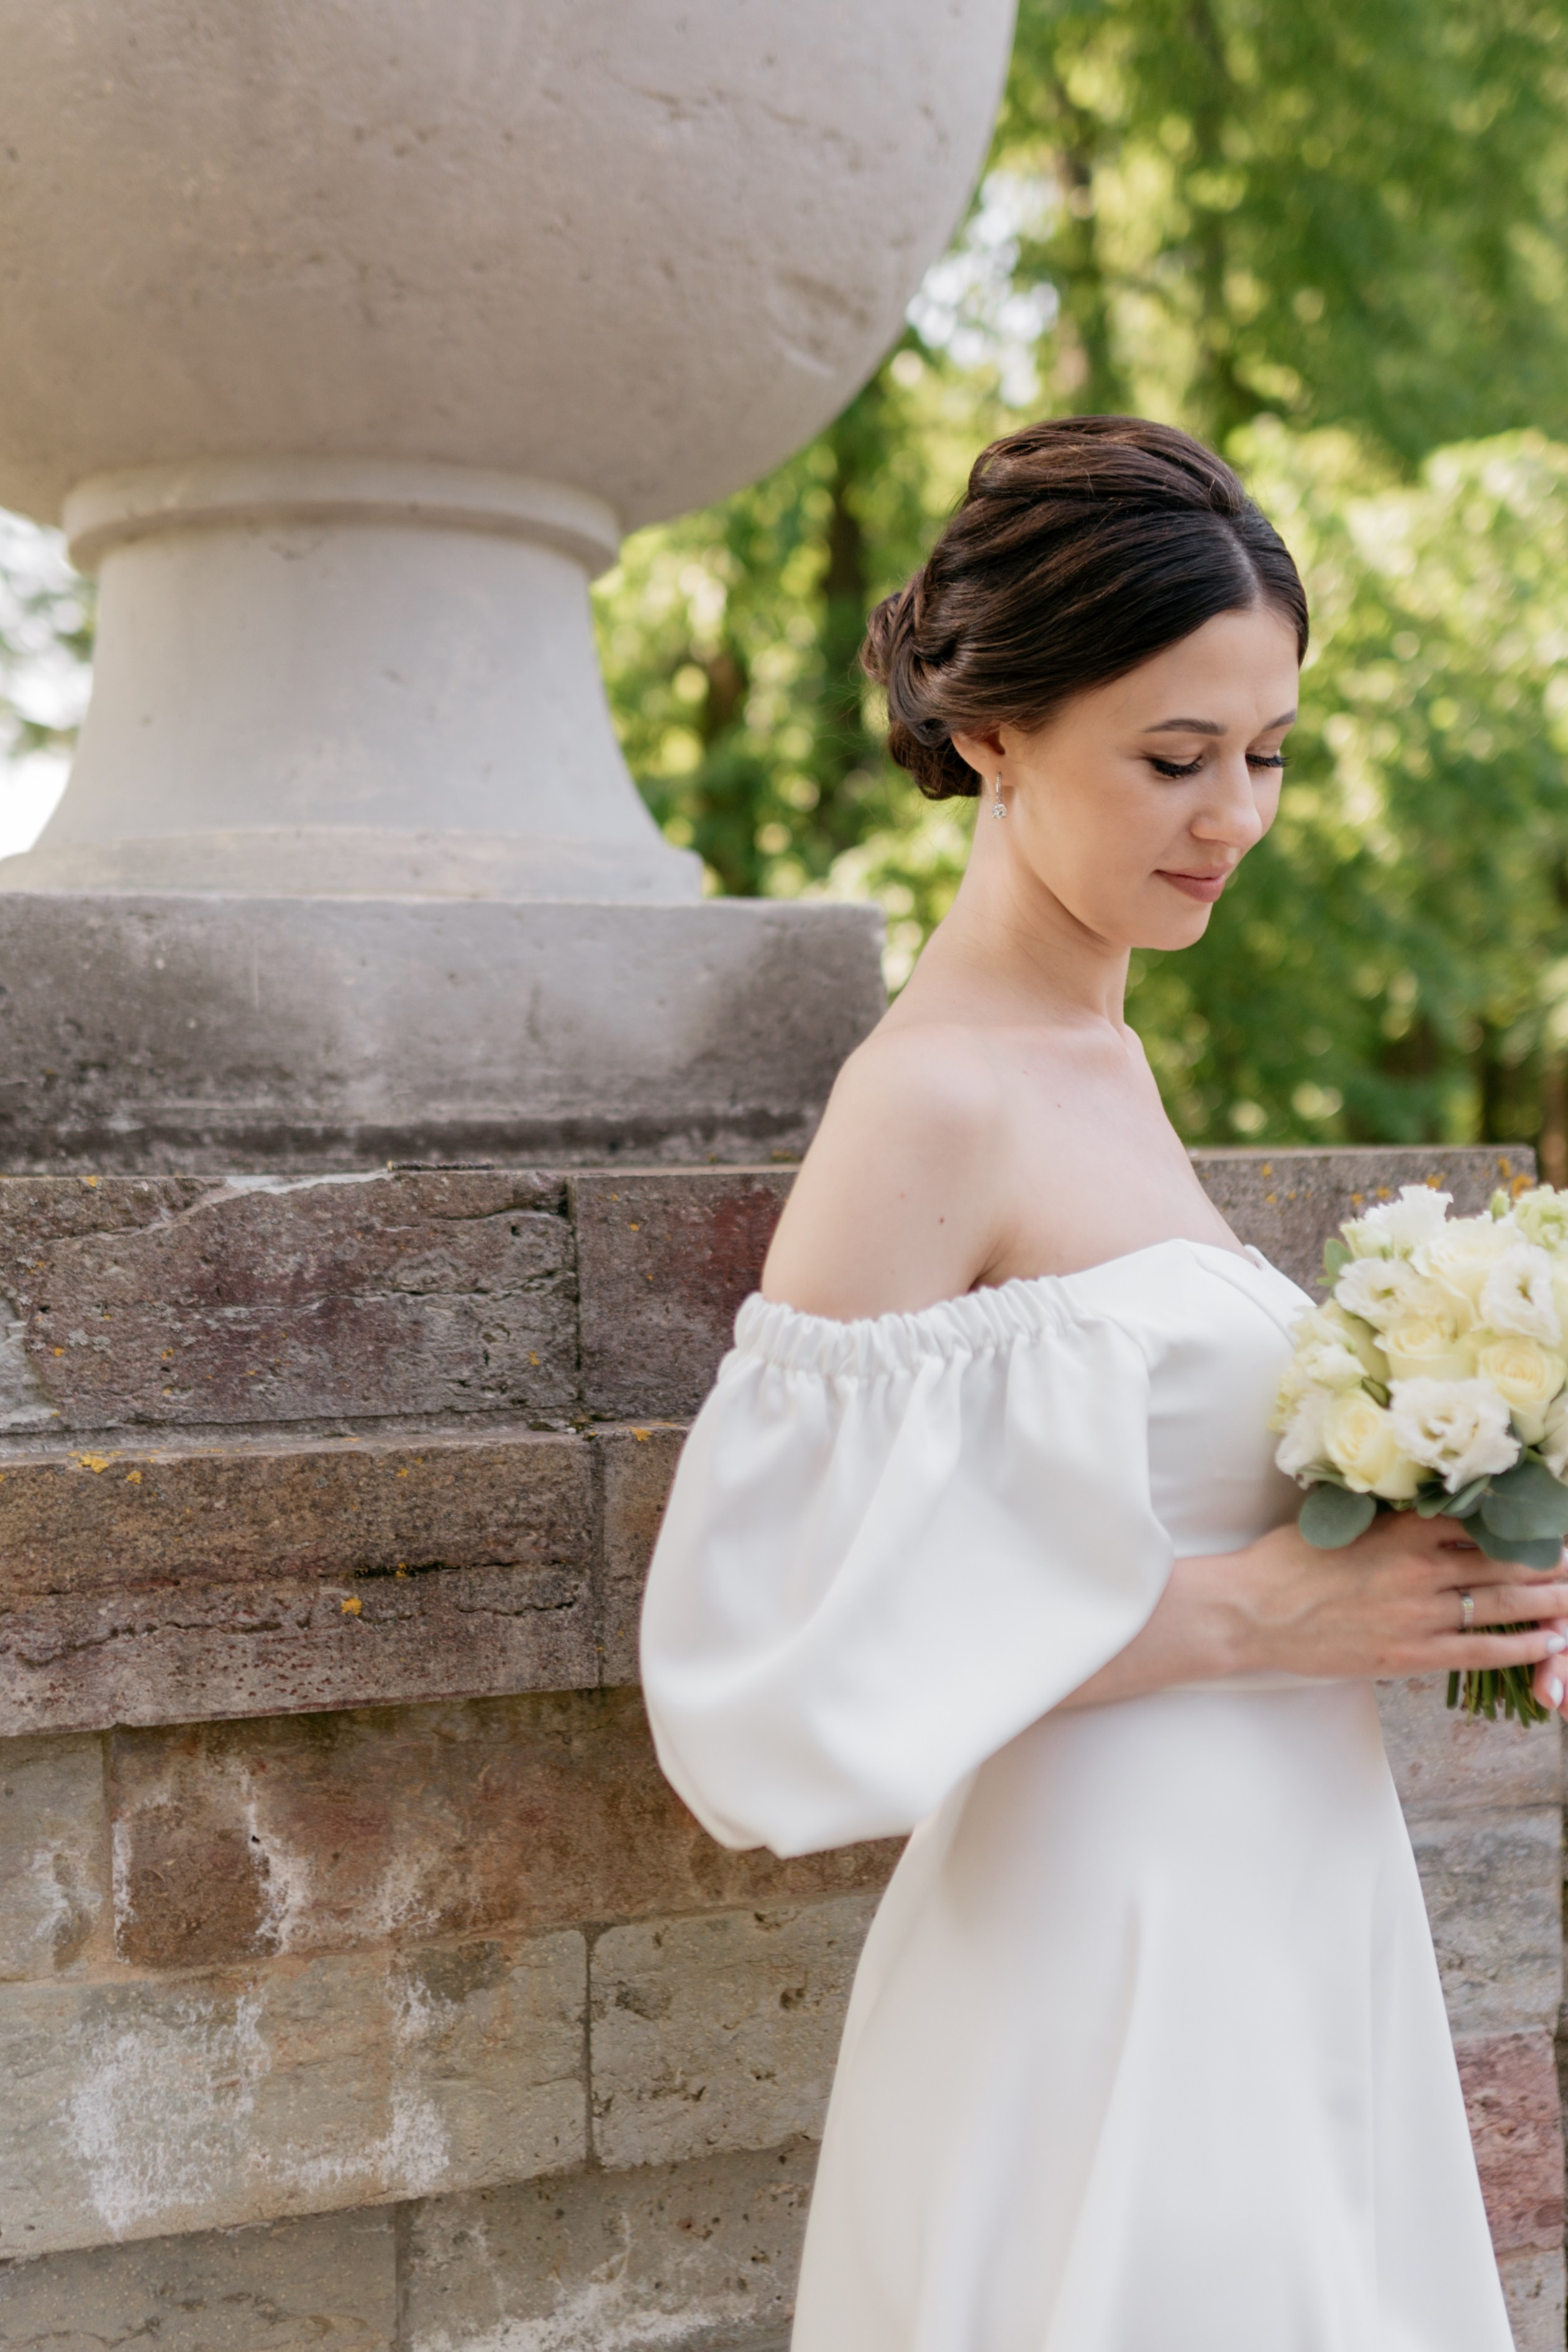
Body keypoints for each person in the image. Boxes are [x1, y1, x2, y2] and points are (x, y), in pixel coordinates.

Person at [638, 416, 1566, 2351]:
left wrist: (1469, 1550)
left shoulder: (1111, 1074)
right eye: (1171, 757)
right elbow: (768, 1646)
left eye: (1266, 754)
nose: (1231, 813)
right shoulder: (928, 1098)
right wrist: (1255, 1611)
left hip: (1292, 1893)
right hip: (1106, 1931)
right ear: (993, 734)